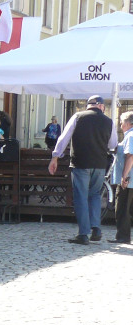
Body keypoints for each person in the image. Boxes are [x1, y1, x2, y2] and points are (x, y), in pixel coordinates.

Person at [49, 95, 118, 245]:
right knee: (95, 195)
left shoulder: (77, 117)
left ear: (88, 105)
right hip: (99, 164)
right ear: (101, 106)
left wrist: (55, 157)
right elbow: (113, 144)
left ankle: (83, 234)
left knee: (81, 197)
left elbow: (64, 138)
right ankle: (96, 228)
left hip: (80, 163)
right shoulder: (109, 121)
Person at [111, 112, 133, 243]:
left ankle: (123, 237)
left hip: (128, 179)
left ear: (129, 123)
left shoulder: (130, 135)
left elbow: (130, 156)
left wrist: (124, 176)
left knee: (122, 208)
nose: (120, 124)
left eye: (122, 121)